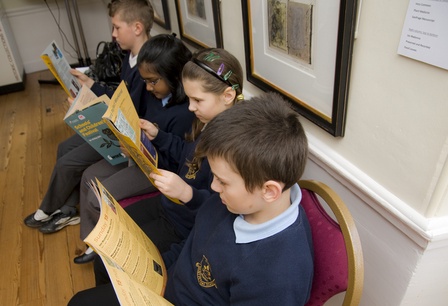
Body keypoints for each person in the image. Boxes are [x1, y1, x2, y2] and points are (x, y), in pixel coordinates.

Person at [68, 92, 314, 306]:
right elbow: (192, 247)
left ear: (269, 191)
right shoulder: (237, 201)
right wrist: (150, 272)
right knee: (97, 275)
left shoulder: (279, 275)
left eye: (223, 181)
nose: (213, 186)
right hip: (166, 284)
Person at [23, 0, 156, 233]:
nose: (113, 35)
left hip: (124, 132)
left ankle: (50, 207)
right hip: (113, 120)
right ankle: (67, 208)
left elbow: (133, 110)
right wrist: (91, 85)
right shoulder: (130, 57)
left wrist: (92, 107)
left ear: (137, 28)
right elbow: (120, 96)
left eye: (116, 28)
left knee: (67, 162)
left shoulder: (148, 66)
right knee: (64, 148)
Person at [74, 33, 195, 264]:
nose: (148, 87)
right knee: (89, 175)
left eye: (153, 81)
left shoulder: (182, 114)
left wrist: (139, 150)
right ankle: (91, 240)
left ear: (174, 75)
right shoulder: (154, 94)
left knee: (97, 195)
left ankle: (104, 247)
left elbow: (174, 164)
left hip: (156, 168)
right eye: (145, 81)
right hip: (136, 154)